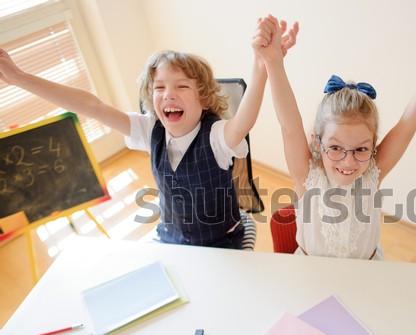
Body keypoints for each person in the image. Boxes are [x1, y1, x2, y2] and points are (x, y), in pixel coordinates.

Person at [0, 18, 298, 250]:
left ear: (204, 98)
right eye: (159, 87)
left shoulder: (217, 136)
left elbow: (243, 121)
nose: (168, 94)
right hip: (170, 238)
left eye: (181, 86)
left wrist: (261, 65)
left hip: (220, 243)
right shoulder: (148, 129)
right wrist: (19, 78)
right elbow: (91, 106)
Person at [256, 16, 416, 259]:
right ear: (317, 142)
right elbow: (289, 126)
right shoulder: (307, 176)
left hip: (366, 274)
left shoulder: (372, 173)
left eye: (360, 150)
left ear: (374, 144)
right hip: (310, 277)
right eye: (336, 147)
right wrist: (273, 63)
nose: (348, 162)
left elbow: (409, 124)